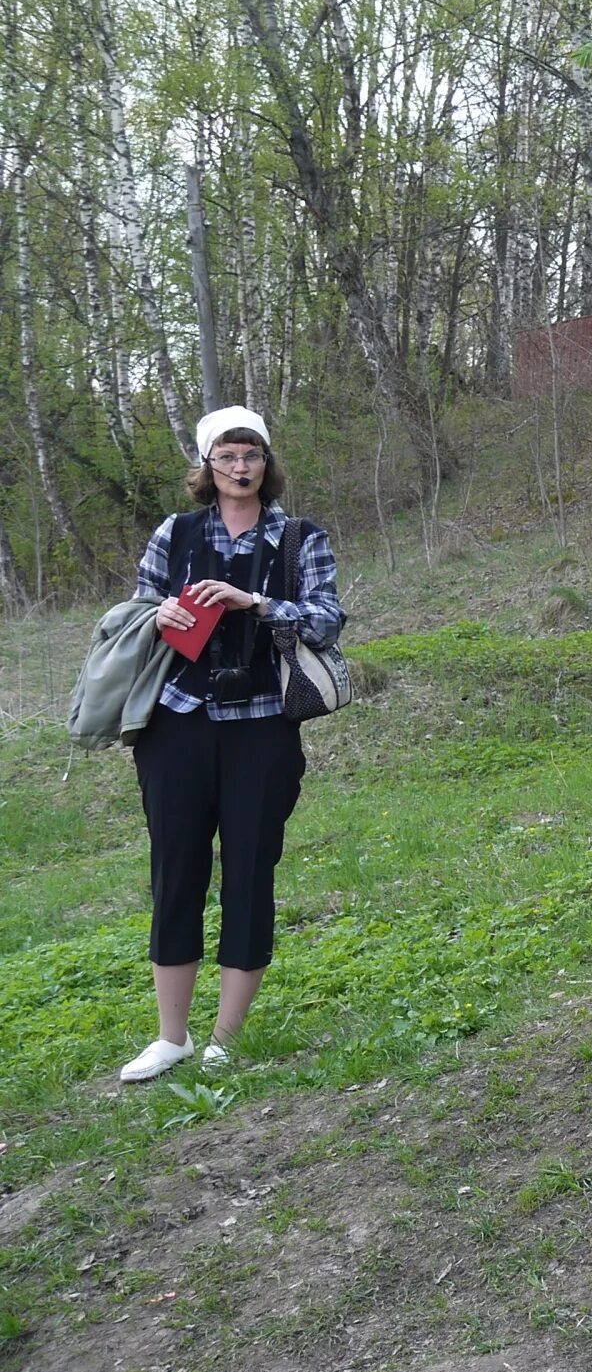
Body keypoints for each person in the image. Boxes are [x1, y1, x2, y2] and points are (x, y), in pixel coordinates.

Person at [116, 406, 344, 1084]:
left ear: (267, 464)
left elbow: (328, 620)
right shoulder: (176, 532)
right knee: (176, 870)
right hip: (177, 723)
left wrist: (257, 602)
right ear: (206, 466)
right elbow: (134, 611)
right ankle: (171, 1036)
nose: (240, 468)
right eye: (226, 456)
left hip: (262, 727)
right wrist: (157, 612)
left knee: (249, 870)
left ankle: (225, 1037)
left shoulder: (299, 536)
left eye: (251, 456)